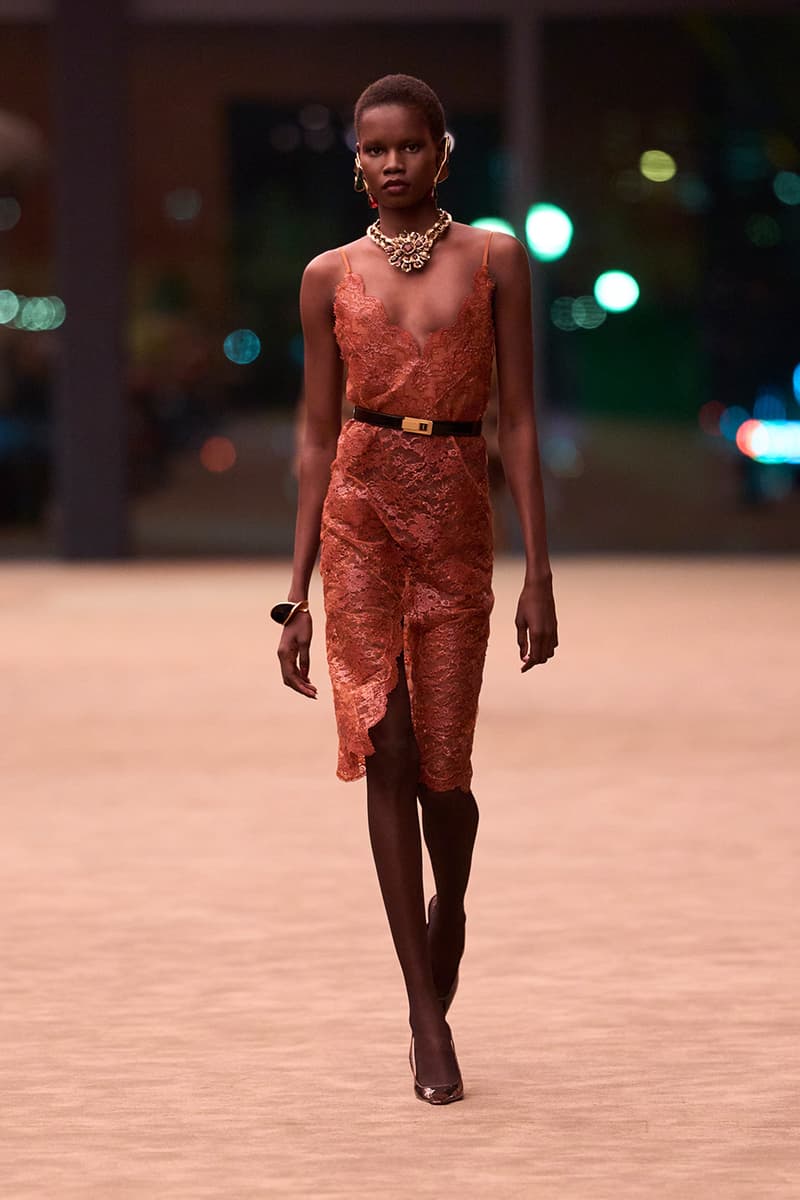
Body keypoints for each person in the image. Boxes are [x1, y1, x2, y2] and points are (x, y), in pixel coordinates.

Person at [275, 74, 558, 1105]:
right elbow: (312, 435)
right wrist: (295, 593)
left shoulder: (495, 259)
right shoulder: (325, 276)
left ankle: (452, 913)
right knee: (385, 746)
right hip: (358, 516)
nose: (389, 161)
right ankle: (422, 1012)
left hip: (456, 518)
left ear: (442, 151)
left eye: (408, 145)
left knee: (446, 774)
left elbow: (520, 420)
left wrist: (539, 571)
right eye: (372, 146)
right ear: (354, 158)